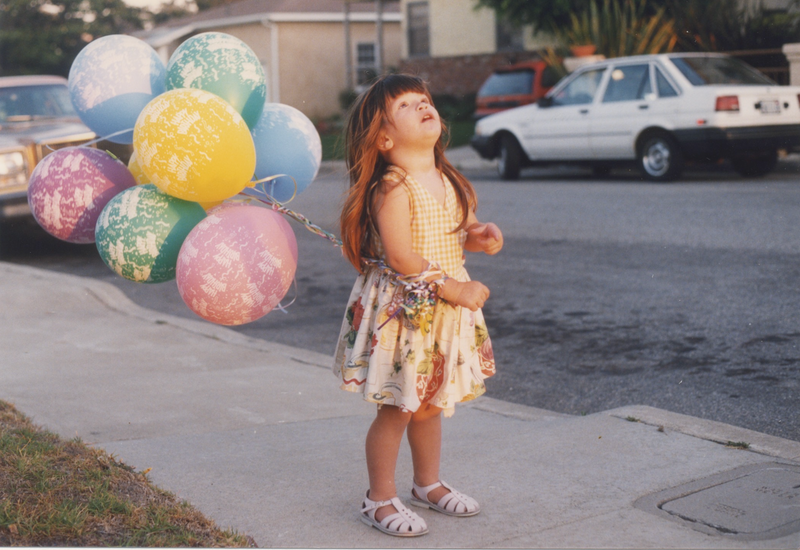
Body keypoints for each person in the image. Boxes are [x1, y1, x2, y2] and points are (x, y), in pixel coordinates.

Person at [333, 74, 503, 537]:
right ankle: (378, 498)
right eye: (406, 105)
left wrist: (481, 235)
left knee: (429, 403)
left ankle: (427, 484)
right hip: (408, 313)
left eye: (423, 99)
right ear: (383, 138)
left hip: (442, 311)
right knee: (399, 406)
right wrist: (455, 289)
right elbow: (402, 258)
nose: (423, 105)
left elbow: (463, 229)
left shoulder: (449, 179)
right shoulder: (393, 188)